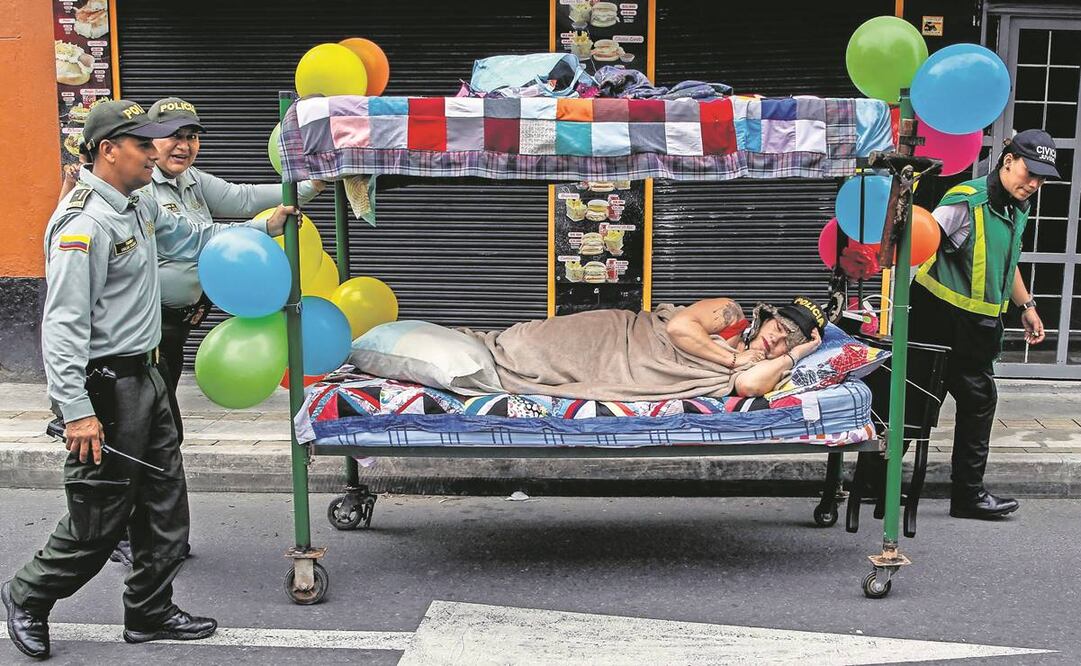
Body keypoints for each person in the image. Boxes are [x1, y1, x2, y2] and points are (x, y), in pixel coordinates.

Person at [2, 100, 294, 659]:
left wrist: (264, 224)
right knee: (101, 515)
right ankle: (28, 594)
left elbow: (196, 238)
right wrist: (75, 410)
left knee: (164, 502)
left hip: (147, 375)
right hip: (105, 388)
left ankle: (150, 611)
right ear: (109, 151)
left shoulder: (138, 205)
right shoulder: (83, 225)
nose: (155, 154)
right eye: (144, 144)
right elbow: (61, 327)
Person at [909, 128, 1057, 520]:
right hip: (937, 318)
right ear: (1008, 161)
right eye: (1030, 172)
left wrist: (1025, 305)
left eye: (1042, 178)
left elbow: (1006, 260)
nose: (1034, 183)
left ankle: (959, 494)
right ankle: (956, 494)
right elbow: (919, 243)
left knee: (962, 403)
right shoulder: (966, 201)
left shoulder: (1013, 206)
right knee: (918, 405)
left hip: (975, 326)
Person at [469, 296, 824, 401]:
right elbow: (677, 327)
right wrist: (733, 357)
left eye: (786, 343)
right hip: (617, 335)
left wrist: (799, 353)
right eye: (778, 329)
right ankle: (489, 350)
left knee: (541, 372)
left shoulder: (770, 364)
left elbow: (748, 387)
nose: (775, 341)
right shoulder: (730, 314)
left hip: (624, 369)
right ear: (765, 318)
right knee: (522, 349)